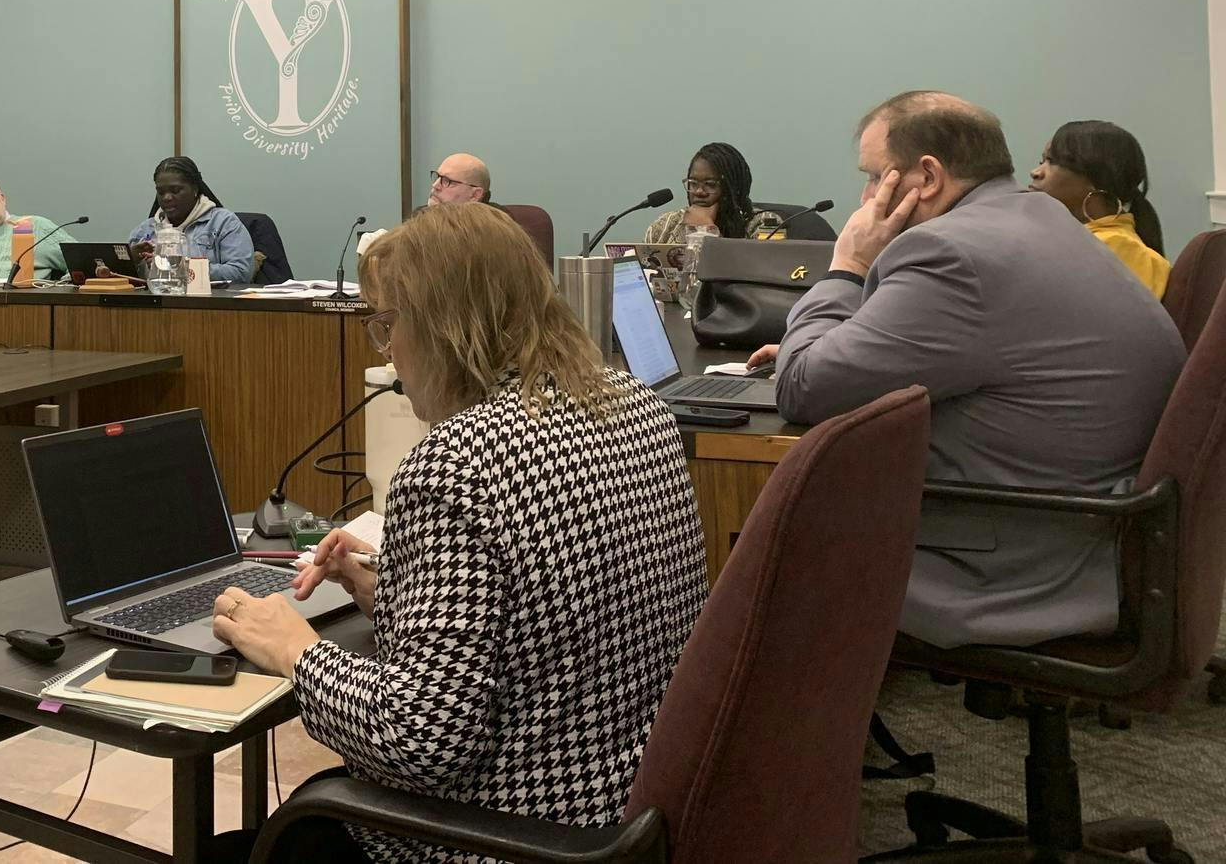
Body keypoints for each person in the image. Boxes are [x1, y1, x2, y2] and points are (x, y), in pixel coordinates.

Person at [204, 203, 706, 863]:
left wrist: (297, 650)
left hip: (502, 837)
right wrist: (404, 598)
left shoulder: (453, 465)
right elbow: (565, 611)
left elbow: (422, 740)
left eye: (387, 325)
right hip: (624, 819)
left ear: (444, 326)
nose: (387, 354)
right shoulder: (637, 406)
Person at [762, 92, 1184, 648]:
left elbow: (802, 388)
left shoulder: (951, 253)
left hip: (1009, 563)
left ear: (927, 177)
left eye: (872, 177)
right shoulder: (1038, 220)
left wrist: (848, 267)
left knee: (753, 531)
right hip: (1093, 532)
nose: (863, 198)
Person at [1029, 120, 1170, 299]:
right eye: (1041, 161)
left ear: (1096, 177)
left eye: (1052, 161)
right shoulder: (1082, 239)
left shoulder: (1117, 248)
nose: (1035, 172)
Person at [641, 142, 783, 299]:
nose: (699, 192)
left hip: (738, 320)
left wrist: (707, 229)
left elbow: (761, 287)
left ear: (733, 187)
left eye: (710, 185)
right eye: (693, 184)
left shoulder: (764, 225)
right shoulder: (664, 227)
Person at [127, 156, 254, 287]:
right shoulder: (144, 230)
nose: (167, 197)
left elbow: (241, 273)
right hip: (153, 303)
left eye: (175, 191)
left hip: (207, 304)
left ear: (195, 189)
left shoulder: (224, 223)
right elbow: (122, 280)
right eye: (160, 192)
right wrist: (131, 260)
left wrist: (181, 267)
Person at [424, 153, 490, 205]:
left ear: (475, 195)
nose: (435, 185)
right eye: (437, 177)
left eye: (447, 181)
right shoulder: (417, 218)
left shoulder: (493, 221)